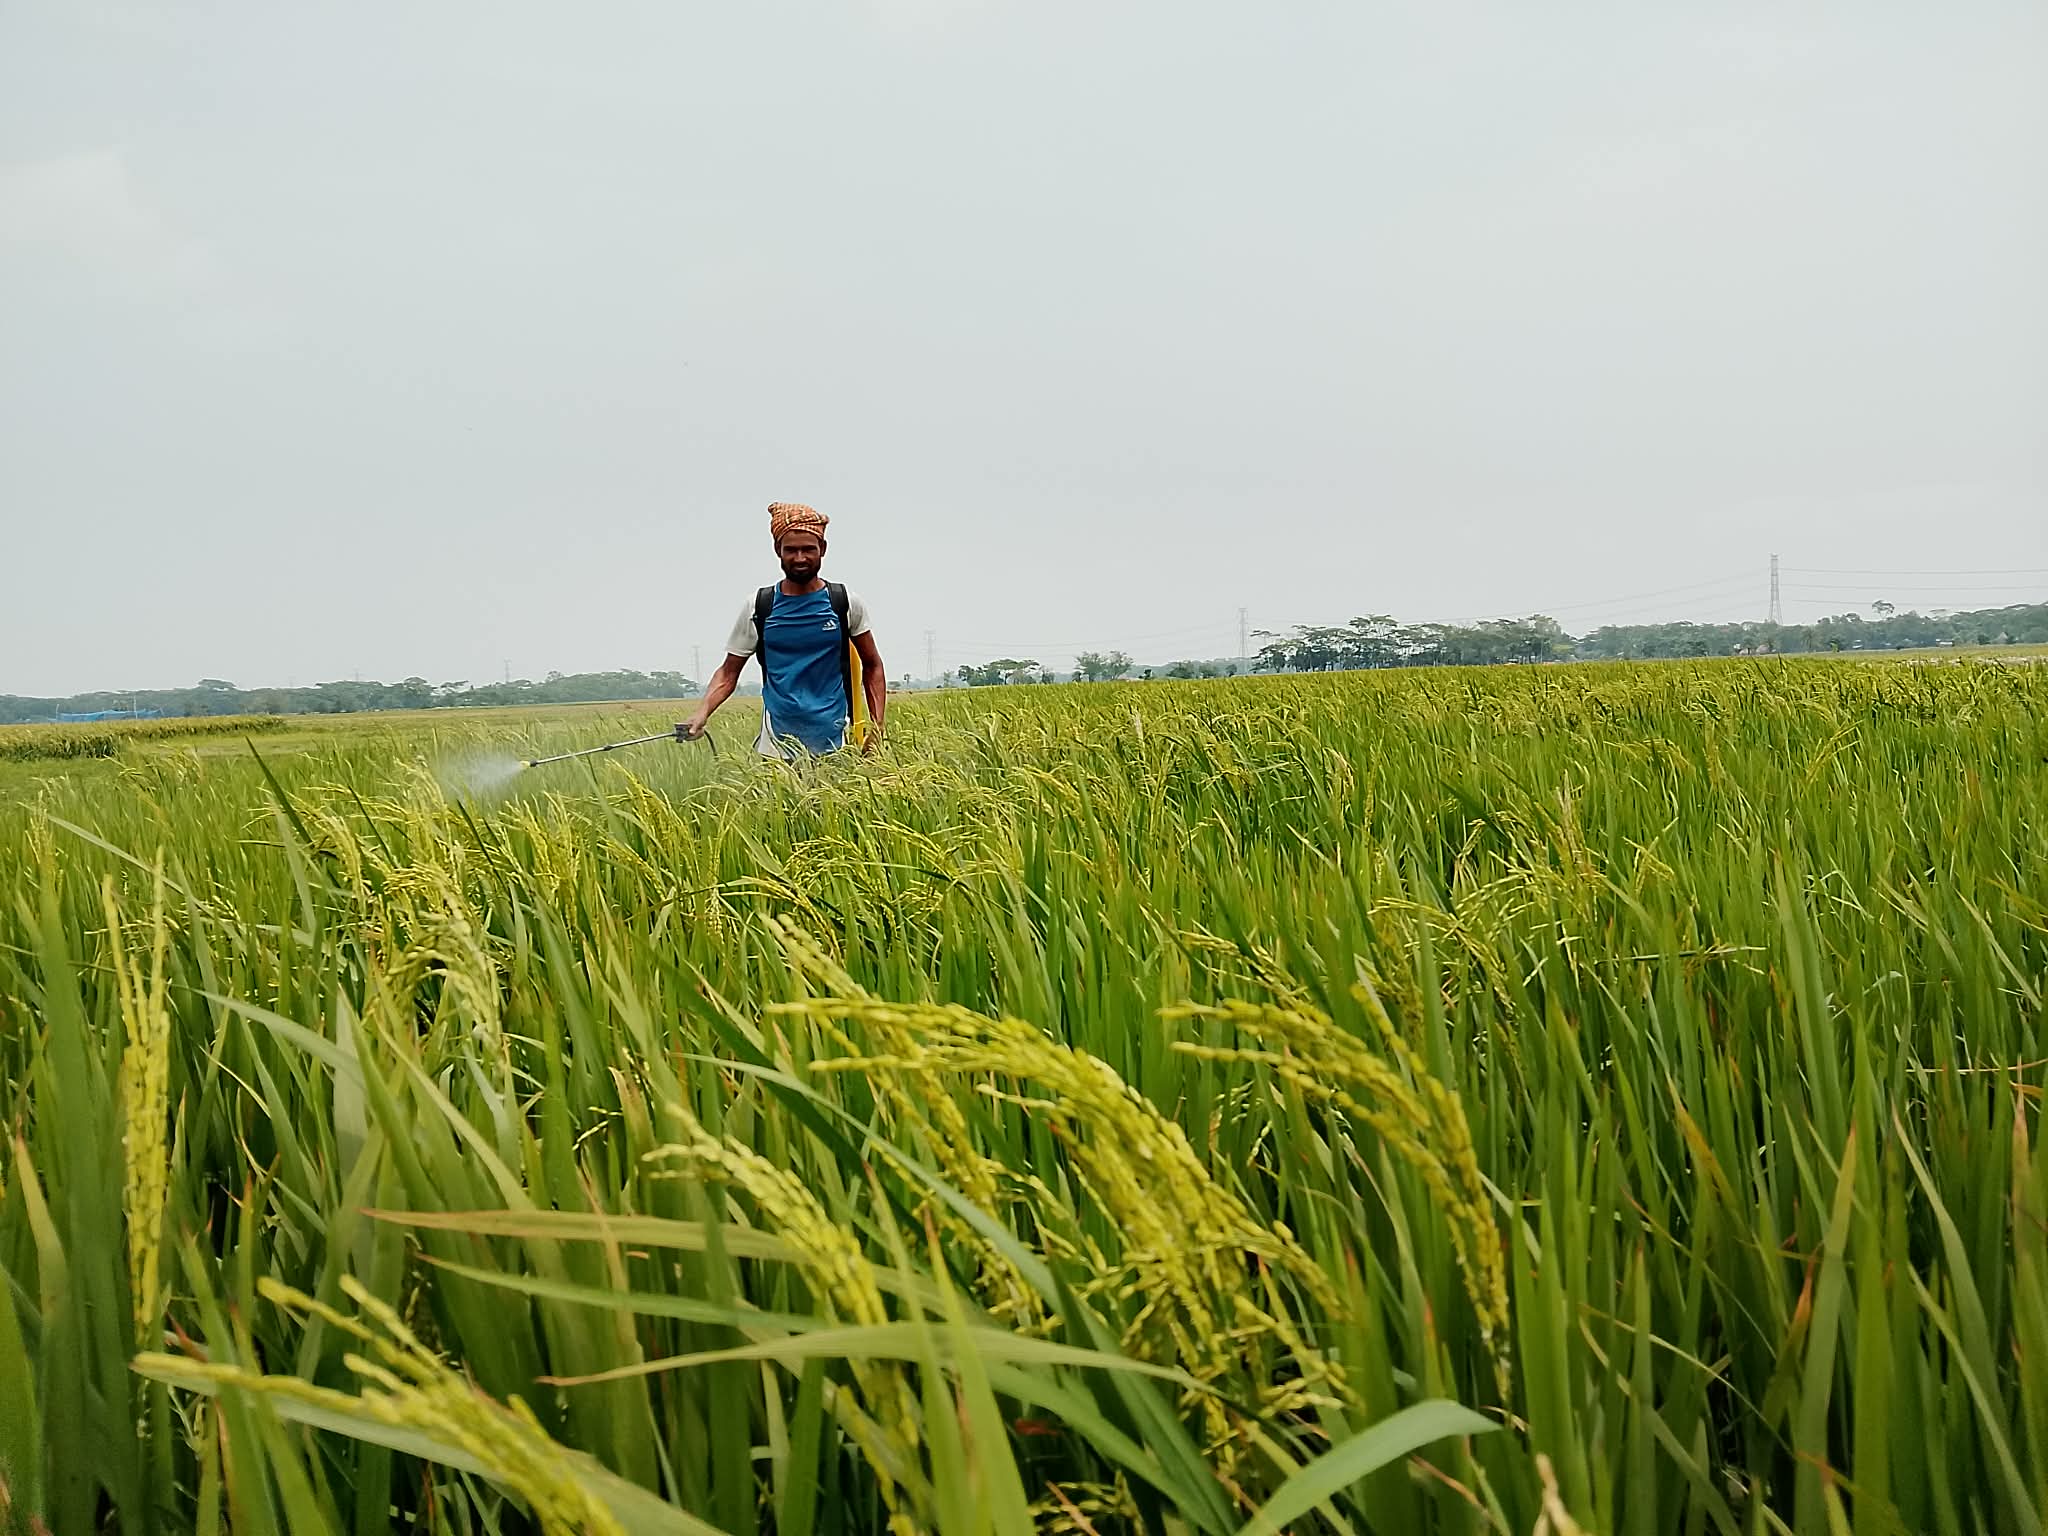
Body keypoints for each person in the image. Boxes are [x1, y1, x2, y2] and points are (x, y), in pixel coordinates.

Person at [682, 502, 886, 758]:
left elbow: (872, 665)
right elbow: (728, 672)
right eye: (791, 550)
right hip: (776, 748)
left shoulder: (844, 602)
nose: (799, 558)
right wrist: (701, 714)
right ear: (777, 549)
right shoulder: (759, 606)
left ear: (822, 549)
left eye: (808, 549)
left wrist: (877, 728)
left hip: (837, 741)